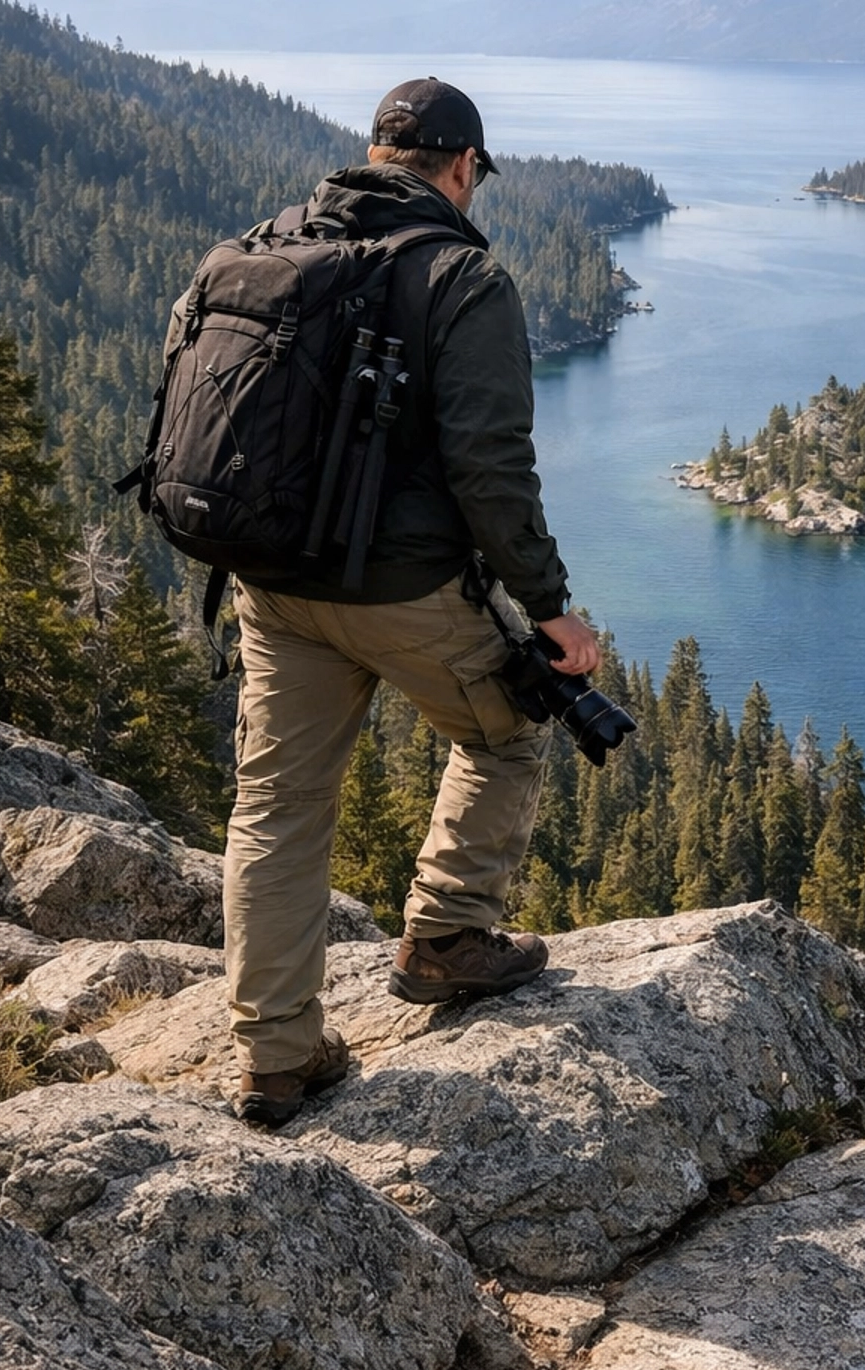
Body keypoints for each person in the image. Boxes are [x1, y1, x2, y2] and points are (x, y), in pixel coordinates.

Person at [225, 76, 600, 1130]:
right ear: (462, 167)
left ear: (376, 151)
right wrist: (551, 608)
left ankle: (278, 1059)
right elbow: (491, 468)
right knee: (507, 732)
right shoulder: (462, 275)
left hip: (274, 582)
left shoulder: (272, 243)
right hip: (399, 589)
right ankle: (445, 937)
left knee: (276, 810)